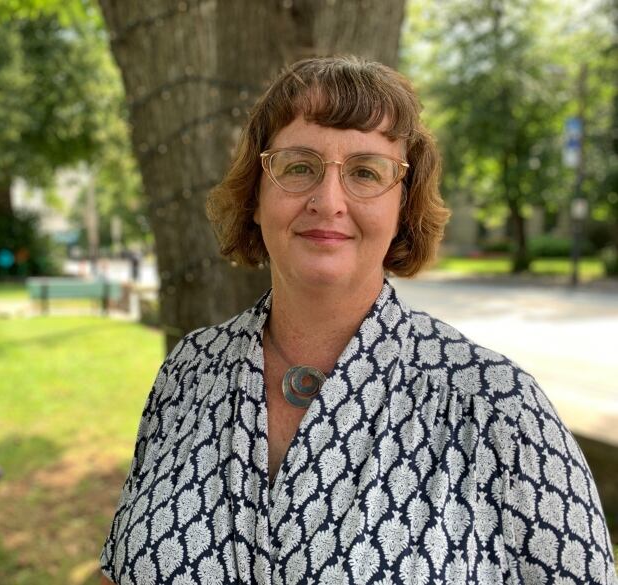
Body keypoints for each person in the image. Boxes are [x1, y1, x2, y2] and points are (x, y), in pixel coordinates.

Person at [99, 56, 616, 584]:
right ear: (256, 194)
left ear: (403, 207)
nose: (328, 201)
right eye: (298, 166)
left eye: (366, 172)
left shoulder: (499, 407)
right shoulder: (189, 371)